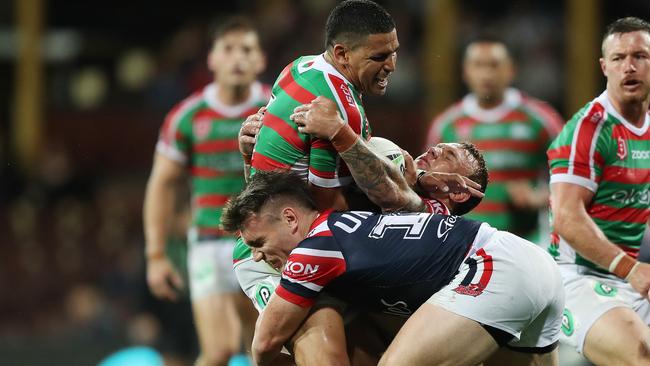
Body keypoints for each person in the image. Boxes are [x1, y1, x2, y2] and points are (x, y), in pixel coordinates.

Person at [221, 170, 564, 366]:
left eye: (259, 243)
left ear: (291, 219)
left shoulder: (314, 250)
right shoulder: (349, 223)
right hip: (529, 264)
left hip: (493, 268)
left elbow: (266, 342)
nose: (257, 257)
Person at [232, 1, 399, 364]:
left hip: (309, 246)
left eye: (394, 52)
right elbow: (327, 209)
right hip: (272, 253)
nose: (391, 66)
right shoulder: (336, 108)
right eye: (379, 56)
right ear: (342, 53)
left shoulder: (298, 68)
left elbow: (271, 177)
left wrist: (248, 153)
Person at [143, 17, 269, 366]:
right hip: (209, 243)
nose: (237, 59)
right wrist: (156, 255)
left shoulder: (276, 110)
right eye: (228, 49)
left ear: (261, 60)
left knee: (264, 348)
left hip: (263, 245)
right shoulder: (187, 116)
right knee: (219, 351)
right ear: (212, 59)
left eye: (247, 50)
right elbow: (162, 184)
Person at [547, 16, 650, 365]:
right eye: (619, 58)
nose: (630, 67)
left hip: (633, 275)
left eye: (640, 56)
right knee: (640, 356)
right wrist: (630, 268)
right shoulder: (589, 129)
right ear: (604, 67)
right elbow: (566, 217)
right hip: (579, 278)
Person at [425, 36, 564, 243]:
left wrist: (539, 197)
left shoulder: (540, 119)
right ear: (465, 72)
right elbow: (428, 186)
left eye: (494, 65)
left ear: (511, 70)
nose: (487, 74)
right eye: (478, 66)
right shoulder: (447, 125)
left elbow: (572, 178)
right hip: (467, 243)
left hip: (526, 241)